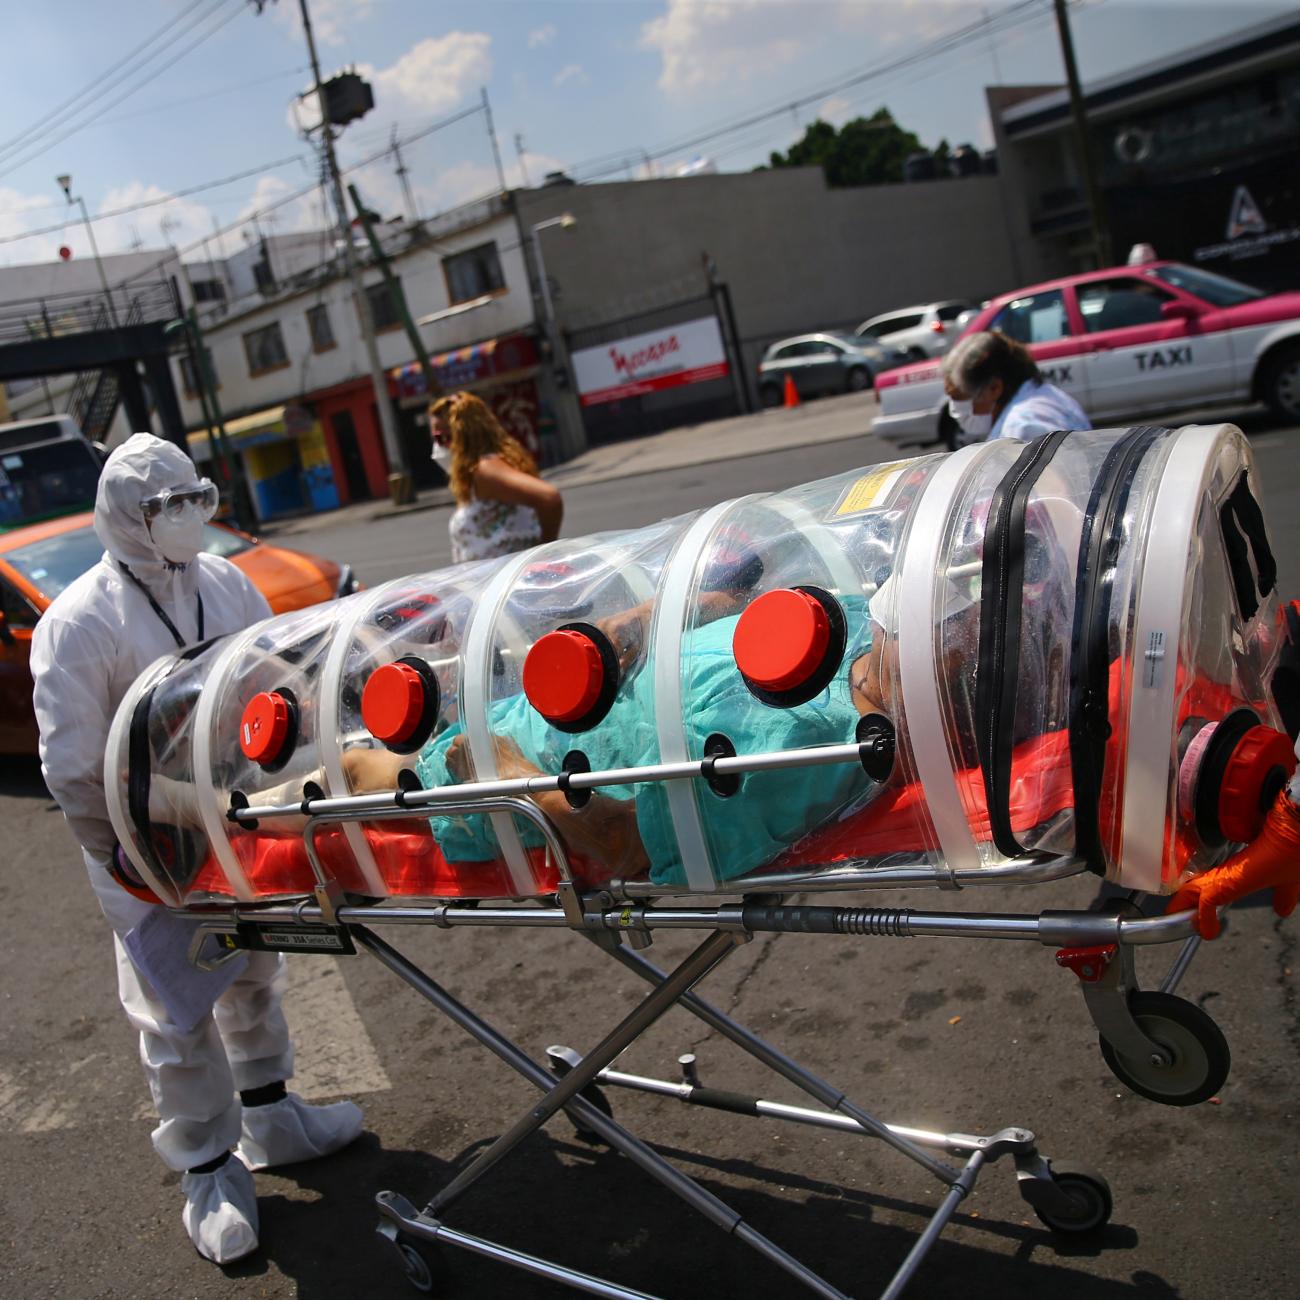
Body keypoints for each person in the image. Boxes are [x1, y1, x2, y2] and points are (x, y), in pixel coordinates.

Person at [30, 433, 363, 1265]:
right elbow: (71, 766)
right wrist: (120, 856)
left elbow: (273, 681)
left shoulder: (226, 581)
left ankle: (273, 1115)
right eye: (164, 506)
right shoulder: (79, 623)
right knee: (173, 1009)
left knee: (254, 971)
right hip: (142, 847)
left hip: (236, 822)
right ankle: (208, 1173)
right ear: (125, 518)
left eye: (193, 498)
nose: (184, 518)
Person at [430, 391, 563, 563]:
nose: (437, 445)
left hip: (507, 581)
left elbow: (549, 498)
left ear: (461, 434)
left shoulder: (485, 469)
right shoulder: (475, 473)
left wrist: (543, 555)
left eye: (440, 437)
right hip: (491, 581)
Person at [940, 331, 1091, 445]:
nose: (956, 410)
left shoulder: (1022, 430)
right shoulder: (1046, 395)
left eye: (959, 398)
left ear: (994, 388)